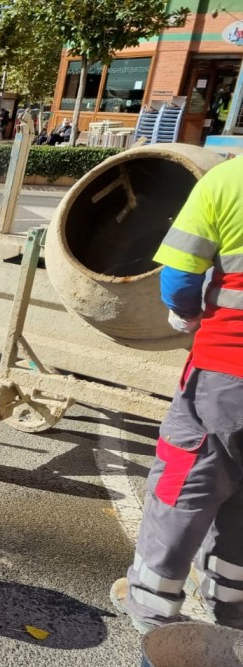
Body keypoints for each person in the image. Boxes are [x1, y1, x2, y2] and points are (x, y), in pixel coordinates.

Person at [111, 155, 243, 634]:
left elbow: (180, 278)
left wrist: (185, 314)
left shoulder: (229, 180)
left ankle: (152, 611)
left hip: (227, 376)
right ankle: (232, 619)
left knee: (185, 487)